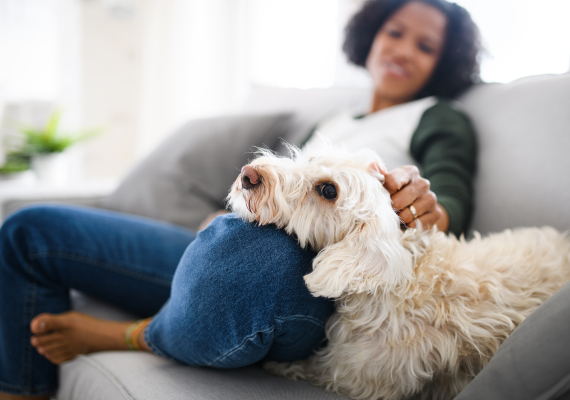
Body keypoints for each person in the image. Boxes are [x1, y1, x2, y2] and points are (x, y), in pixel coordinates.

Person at [0, 1, 482, 399]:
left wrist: (424, 205)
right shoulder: (339, 119)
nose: (403, 50)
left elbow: (448, 201)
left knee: (246, 253)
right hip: (233, 240)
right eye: (395, 32)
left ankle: (136, 334)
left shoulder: (437, 117)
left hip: (304, 276)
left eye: (426, 46)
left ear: (444, 62)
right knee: (29, 231)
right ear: (372, 34)